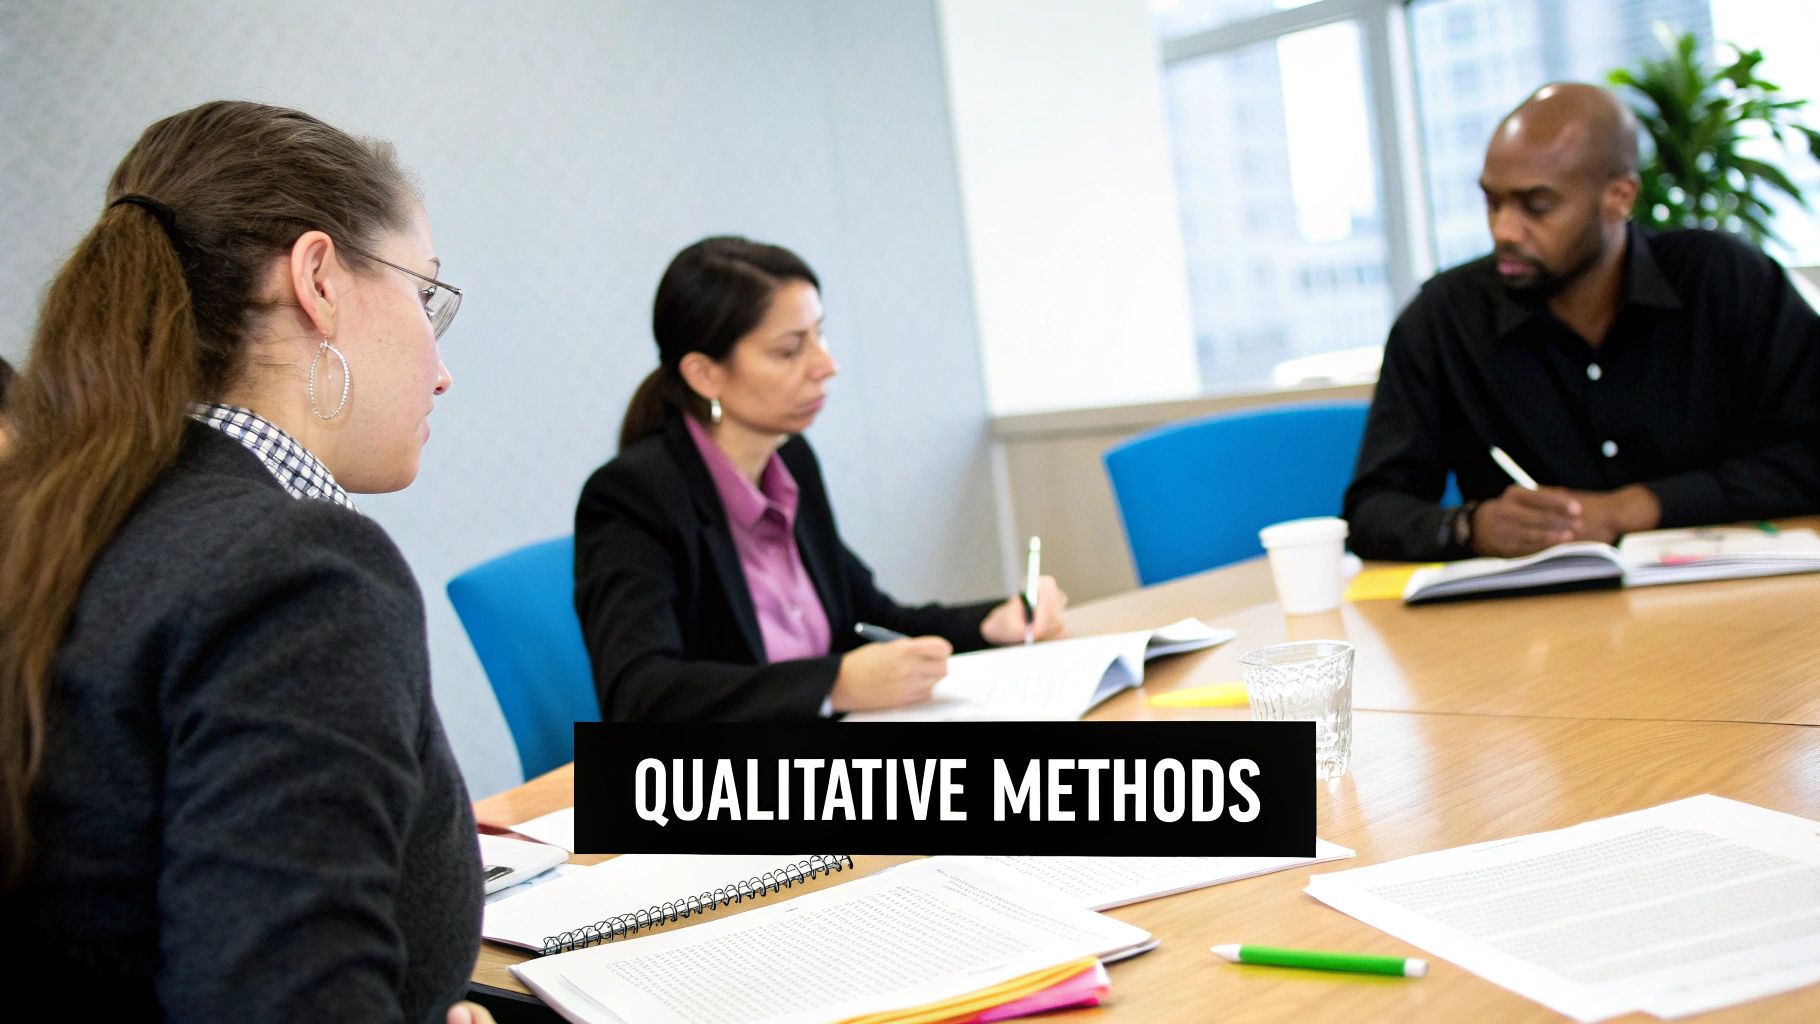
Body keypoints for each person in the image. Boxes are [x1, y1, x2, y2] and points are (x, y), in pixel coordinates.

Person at [0, 101, 493, 1024]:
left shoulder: (69, 520)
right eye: (425, 295)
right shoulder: (292, 570)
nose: (440, 368)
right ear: (318, 279)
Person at [576, 236, 1067, 721]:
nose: (826, 366)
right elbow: (639, 695)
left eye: (819, 334)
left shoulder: (791, 461)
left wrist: (991, 623)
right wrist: (835, 684)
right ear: (705, 375)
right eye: (790, 350)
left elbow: (872, 616)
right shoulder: (633, 498)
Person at [1344, 82, 1820, 561]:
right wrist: (1471, 526)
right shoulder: (1443, 318)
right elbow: (1373, 509)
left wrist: (1631, 508)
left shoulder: (1725, 280)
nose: (1504, 230)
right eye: (1492, 202)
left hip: (1734, 601)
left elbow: (1810, 453)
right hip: (1537, 622)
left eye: (1538, 205)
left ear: (1619, 196)